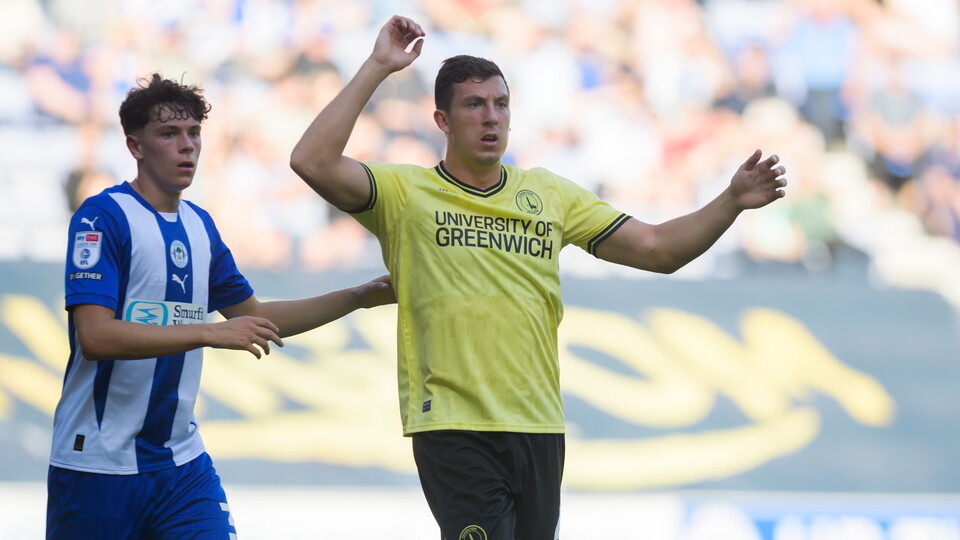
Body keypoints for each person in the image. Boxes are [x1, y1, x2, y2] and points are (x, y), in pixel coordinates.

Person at [290, 15, 787, 540]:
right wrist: (377, 67)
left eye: (501, 105)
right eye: (474, 105)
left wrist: (730, 202)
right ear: (442, 120)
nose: (491, 117)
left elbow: (657, 250)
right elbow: (312, 161)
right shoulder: (405, 194)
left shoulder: (549, 193)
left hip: (539, 426)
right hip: (454, 426)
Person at [47, 73, 395, 540]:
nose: (186, 146)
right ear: (135, 146)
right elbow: (96, 336)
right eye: (168, 134)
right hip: (95, 465)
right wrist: (207, 332)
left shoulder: (200, 226)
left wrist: (359, 296)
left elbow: (258, 318)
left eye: (193, 134)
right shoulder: (101, 217)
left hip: (181, 464)